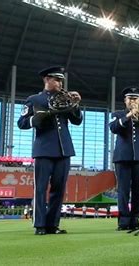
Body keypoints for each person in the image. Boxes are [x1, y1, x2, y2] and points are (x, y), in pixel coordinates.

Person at [17, 66, 82, 235]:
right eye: (57, 80)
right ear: (46, 79)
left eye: (61, 80)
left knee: (59, 189)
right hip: (44, 150)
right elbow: (21, 123)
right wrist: (35, 119)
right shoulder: (34, 99)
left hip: (64, 150)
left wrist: (76, 105)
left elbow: (77, 121)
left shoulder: (65, 98)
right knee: (40, 188)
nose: (60, 83)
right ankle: (39, 225)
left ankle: (52, 225)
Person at [109, 86, 139, 230]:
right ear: (125, 100)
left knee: (138, 190)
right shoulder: (118, 114)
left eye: (135, 98)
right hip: (122, 157)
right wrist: (129, 115)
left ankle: (135, 219)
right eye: (130, 98)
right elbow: (113, 128)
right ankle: (124, 221)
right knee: (123, 191)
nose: (133, 101)